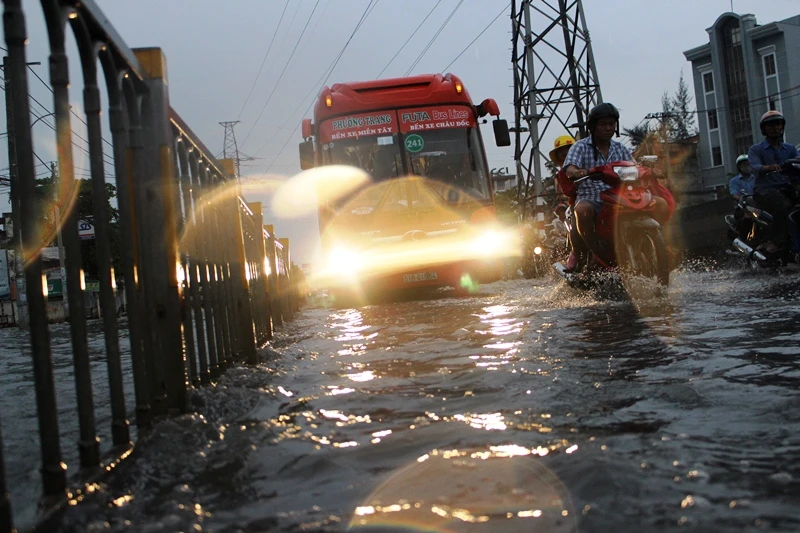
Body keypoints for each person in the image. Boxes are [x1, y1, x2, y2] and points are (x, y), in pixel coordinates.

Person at [562, 102, 634, 268]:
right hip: (591, 196)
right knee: (582, 210)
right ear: (593, 126)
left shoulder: (620, 148)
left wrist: (650, 170)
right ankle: (593, 251)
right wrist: (576, 172)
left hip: (618, 197)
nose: (608, 128)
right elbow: (570, 168)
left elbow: (634, 166)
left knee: (656, 203)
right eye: (603, 124)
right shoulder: (580, 146)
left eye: (611, 124)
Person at [747, 110, 800, 255]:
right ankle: (775, 241)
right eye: (770, 125)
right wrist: (768, 167)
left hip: (787, 188)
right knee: (783, 206)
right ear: (764, 129)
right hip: (765, 190)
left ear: (782, 126)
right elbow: (755, 167)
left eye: (778, 124)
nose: (775, 127)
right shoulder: (756, 149)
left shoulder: (790, 149)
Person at [728, 154, 756, 240]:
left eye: (748, 164)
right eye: (744, 165)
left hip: (757, 206)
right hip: (742, 208)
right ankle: (743, 239)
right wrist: (741, 199)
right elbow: (733, 194)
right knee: (747, 217)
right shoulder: (734, 181)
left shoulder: (756, 179)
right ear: (739, 167)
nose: (747, 167)